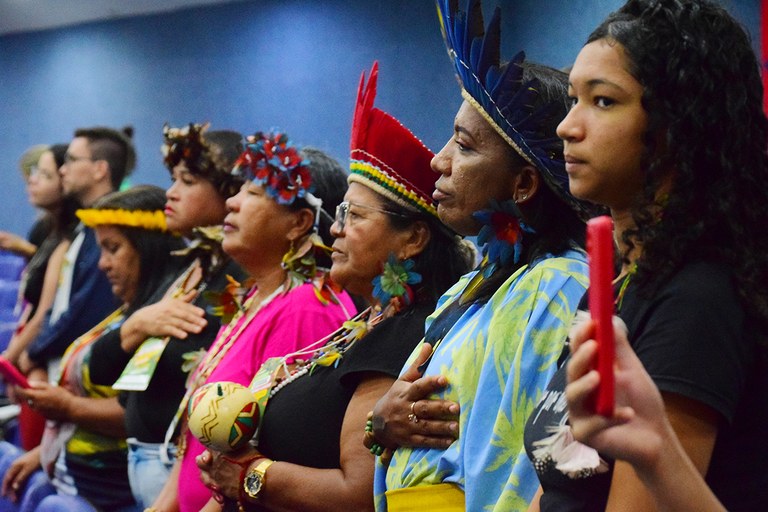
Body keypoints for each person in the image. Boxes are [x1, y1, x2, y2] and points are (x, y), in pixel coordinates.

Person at [194, 62, 474, 512]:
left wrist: (247, 475)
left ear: (413, 239)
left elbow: (357, 494)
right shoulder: (371, 322)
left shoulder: (407, 334)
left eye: (356, 217)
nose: (337, 232)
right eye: (340, 215)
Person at [523, 1, 768, 510]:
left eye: (603, 101)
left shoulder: (700, 297)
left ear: (679, 126)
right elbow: (558, 486)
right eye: (573, 98)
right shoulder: (620, 277)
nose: (568, 126)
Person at [370, 2, 596, 510]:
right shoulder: (472, 287)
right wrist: (379, 427)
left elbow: (523, 461)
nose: (438, 160)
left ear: (522, 184)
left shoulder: (556, 284)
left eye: (464, 146)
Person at [150, 131, 357, 512]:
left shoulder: (308, 308)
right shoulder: (255, 298)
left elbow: (262, 452)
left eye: (252, 194)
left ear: (300, 223)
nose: (231, 201)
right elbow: (195, 442)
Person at [85, 124, 247, 508]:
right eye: (172, 179)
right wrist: (138, 324)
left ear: (230, 194)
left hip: (184, 469)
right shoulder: (190, 270)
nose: (170, 193)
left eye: (187, 181)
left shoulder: (240, 280)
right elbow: (100, 369)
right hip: (147, 461)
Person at [0, 185, 184, 512]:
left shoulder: (164, 318)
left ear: (149, 248)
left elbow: (139, 414)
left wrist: (68, 407)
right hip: (81, 485)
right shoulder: (128, 313)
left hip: (116, 497)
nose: (102, 264)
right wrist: (43, 453)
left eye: (113, 248)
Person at [565, 316, 726, 512]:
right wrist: (658, 454)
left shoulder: (691, 312)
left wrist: (658, 457)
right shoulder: (616, 295)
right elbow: (552, 486)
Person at [23, 127, 136, 382]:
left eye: (72, 160)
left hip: (83, 376)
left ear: (100, 169)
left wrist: (34, 353)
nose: (64, 170)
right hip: (61, 371)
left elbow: (86, 311)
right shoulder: (83, 227)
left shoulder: (110, 229)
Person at [2, 144, 79, 451]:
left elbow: (47, 312)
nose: (32, 182)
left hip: (43, 363)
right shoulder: (48, 231)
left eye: (44, 175)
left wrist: (17, 358)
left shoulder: (71, 239)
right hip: (32, 357)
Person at [0, 145, 52, 260]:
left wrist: (26, 249)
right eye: (28, 182)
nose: (30, 188)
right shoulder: (42, 227)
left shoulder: (67, 227)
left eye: (45, 176)